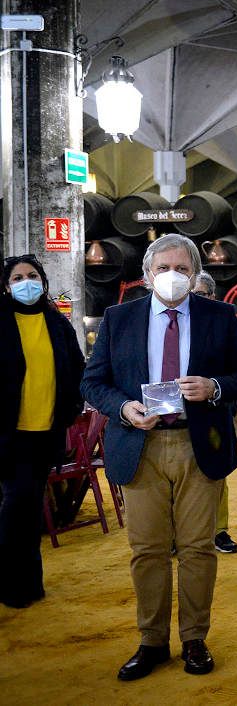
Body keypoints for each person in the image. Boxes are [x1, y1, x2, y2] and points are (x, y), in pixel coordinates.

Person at [81, 234, 237, 681]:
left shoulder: (218, 317)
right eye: (163, 269)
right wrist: (123, 408)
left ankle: (195, 638)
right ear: (146, 276)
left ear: (195, 273)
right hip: (139, 446)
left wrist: (215, 388)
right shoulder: (118, 318)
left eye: (182, 268)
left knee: (199, 549)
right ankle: (152, 641)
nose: (172, 276)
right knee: (148, 551)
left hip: (198, 443)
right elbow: (93, 381)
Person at [0, 254, 84, 609]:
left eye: (32, 276)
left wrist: (70, 409)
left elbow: (77, 368)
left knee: (31, 506)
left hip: (45, 432)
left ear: (43, 282)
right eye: (18, 277)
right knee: (15, 504)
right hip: (7, 433)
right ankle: (11, 585)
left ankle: (31, 583)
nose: (26, 282)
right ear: (6, 286)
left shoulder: (57, 323)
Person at [190, 273, 237, 555]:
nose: (197, 297)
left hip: (213, 412)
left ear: (213, 296)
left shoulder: (221, 323)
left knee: (216, 474)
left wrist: (217, 388)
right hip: (174, 417)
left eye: (203, 293)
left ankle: (219, 530)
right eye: (193, 292)